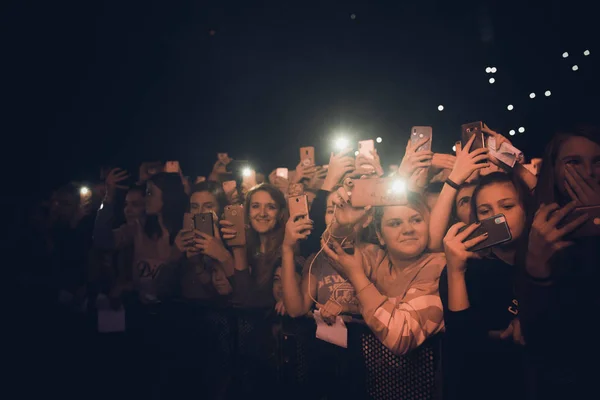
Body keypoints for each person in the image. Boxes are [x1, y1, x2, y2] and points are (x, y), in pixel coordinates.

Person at [519, 125, 600, 399]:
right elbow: (539, 336)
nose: (588, 173)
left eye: (597, 162)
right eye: (573, 162)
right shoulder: (536, 228)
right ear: (554, 170)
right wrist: (537, 267)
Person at [439, 172, 535, 400]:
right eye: (485, 211)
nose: (497, 217)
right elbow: (462, 343)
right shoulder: (467, 268)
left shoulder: (545, 258)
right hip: (480, 387)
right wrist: (455, 271)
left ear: (525, 210)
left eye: (507, 206)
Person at [321, 189, 446, 356]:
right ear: (380, 235)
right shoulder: (378, 259)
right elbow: (332, 250)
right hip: (376, 380)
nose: (408, 229)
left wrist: (357, 277)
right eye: (395, 223)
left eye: (416, 220)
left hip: (421, 380)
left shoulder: (438, 266)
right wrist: (342, 224)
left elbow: (402, 337)